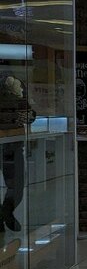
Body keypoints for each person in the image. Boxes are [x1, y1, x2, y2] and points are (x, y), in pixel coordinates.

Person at [0, 76, 34, 232]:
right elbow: (30, 117)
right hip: (13, 148)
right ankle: (5, 212)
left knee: (16, 185)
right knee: (17, 186)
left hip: (12, 147)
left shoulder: (18, 102)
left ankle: (3, 214)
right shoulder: (20, 102)